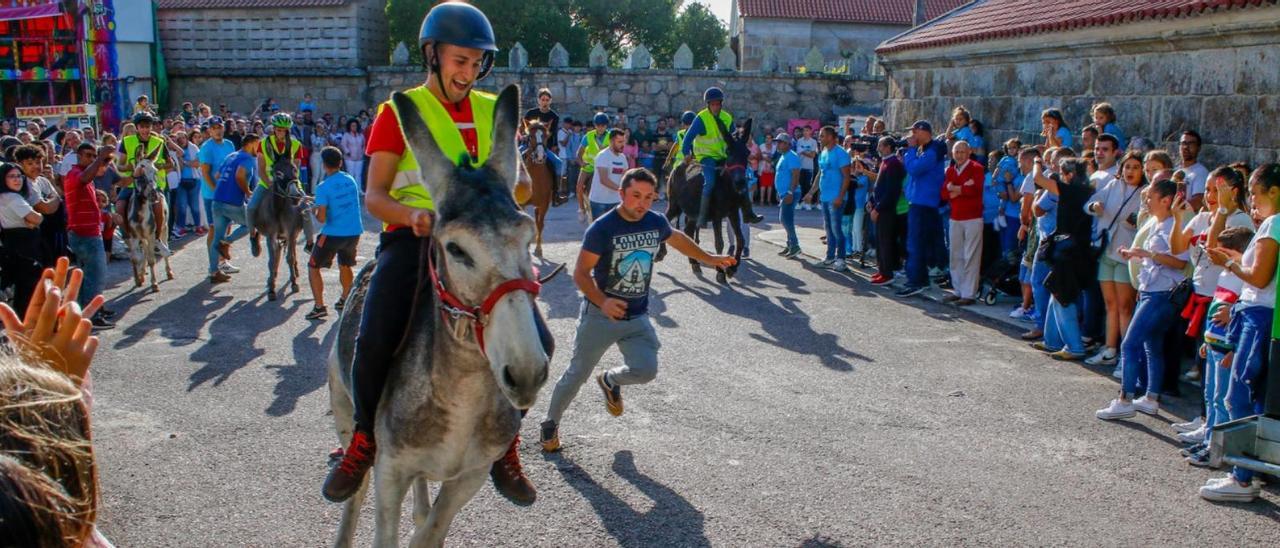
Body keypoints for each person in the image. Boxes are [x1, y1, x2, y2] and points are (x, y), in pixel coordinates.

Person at [322, 1, 547, 507]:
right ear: (433, 55)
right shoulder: (396, 113)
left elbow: (525, 187)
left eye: (475, 63)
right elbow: (374, 196)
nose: (467, 73)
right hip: (414, 237)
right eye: (458, 61)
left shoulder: (494, 111)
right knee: (375, 334)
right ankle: (361, 442)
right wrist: (414, 218)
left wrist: (507, 194)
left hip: (482, 243)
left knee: (542, 341)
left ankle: (507, 446)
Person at [540, 167, 735, 452]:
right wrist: (603, 301)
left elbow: (677, 238)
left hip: (637, 316)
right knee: (576, 373)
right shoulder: (602, 228)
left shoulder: (655, 222)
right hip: (600, 316)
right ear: (621, 194)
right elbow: (581, 274)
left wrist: (709, 258)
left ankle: (610, 380)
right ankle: (550, 423)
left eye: (648, 197)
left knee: (646, 370)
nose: (642, 203)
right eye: (635, 196)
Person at [1198, 163, 1280, 502]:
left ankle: (1242, 477)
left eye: (1255, 195)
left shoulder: (1274, 223)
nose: (1253, 202)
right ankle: (1247, 471)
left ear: (1273, 192)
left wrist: (1229, 263)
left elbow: (1259, 278)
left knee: (1239, 395)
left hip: (1257, 315)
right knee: (1249, 395)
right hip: (1256, 314)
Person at [1096, 178, 1188, 420]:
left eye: (1150, 197)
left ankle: (1125, 398)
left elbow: (1180, 262)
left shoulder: (1173, 225)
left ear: (1166, 200)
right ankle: (1150, 397)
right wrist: (1137, 255)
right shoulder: (1158, 222)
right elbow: (1157, 258)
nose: (1146, 201)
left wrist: (1148, 254)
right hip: (1151, 289)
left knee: (1130, 343)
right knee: (1151, 344)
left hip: (1162, 293)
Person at [1084, 151, 1146, 366]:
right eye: (1127, 167)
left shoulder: (1145, 193)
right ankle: (1110, 349)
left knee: (1125, 307)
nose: (1130, 171)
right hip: (1106, 250)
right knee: (1110, 304)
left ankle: (1126, 356)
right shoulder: (1113, 185)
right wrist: (1095, 207)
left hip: (1126, 254)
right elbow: (1089, 204)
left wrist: (1136, 221)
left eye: (1136, 167)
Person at [680, 87, 763, 226]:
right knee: (710, 181)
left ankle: (748, 213)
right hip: (707, 156)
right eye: (712, 104)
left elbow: (734, 139)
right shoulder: (701, 118)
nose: (715, 107)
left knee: (741, 177)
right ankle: (702, 216)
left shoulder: (727, 117)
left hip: (723, 156)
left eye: (718, 104)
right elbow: (687, 139)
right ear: (708, 105)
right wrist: (686, 154)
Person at [62, 143, 116, 329]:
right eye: (88, 155)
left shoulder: (87, 175)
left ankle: (91, 310)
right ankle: (91, 316)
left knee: (87, 276)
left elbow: (95, 174)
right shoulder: (75, 174)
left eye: (94, 156)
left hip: (88, 232)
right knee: (96, 274)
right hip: (85, 234)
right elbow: (85, 177)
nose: (92, 159)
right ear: (78, 156)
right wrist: (101, 156)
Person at [305, 147, 362, 320]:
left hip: (333, 233)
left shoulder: (323, 187)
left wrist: (314, 209)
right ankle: (346, 299)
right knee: (345, 265)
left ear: (323, 165)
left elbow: (321, 219)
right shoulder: (350, 179)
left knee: (313, 267)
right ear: (340, 162)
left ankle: (319, 306)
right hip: (353, 231)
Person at [247, 112, 311, 256]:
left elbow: (296, 168)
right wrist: (270, 184)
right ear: (274, 128)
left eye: (284, 130)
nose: (281, 133)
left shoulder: (296, 145)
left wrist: (292, 185)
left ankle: (309, 242)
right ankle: (253, 236)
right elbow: (261, 169)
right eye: (278, 129)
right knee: (250, 207)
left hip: (290, 182)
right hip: (267, 181)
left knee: (306, 206)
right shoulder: (263, 144)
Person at [897, 120, 947, 297]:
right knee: (918, 243)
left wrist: (910, 150)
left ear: (923, 132)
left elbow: (915, 169)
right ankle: (921, 278)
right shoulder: (925, 150)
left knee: (915, 243)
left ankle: (916, 280)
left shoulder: (932, 152)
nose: (912, 136)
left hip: (924, 203)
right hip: (919, 201)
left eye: (915, 132)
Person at [115, 112, 172, 258]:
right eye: (142, 127)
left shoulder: (159, 142)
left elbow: (170, 164)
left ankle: (158, 239)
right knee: (120, 207)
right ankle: (130, 239)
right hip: (132, 184)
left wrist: (155, 166)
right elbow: (119, 165)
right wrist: (132, 167)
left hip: (153, 183)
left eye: (148, 126)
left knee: (158, 206)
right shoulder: (127, 141)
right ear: (137, 127)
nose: (145, 130)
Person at [207, 135, 260, 284]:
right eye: (258, 145)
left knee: (216, 238)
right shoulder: (247, 159)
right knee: (251, 224)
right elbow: (239, 175)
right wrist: (248, 191)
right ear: (251, 144)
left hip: (217, 199)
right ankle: (227, 241)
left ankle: (214, 272)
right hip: (232, 201)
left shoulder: (231, 155)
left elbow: (217, 175)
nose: (259, 148)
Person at [802, 126, 851, 271]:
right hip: (824, 197)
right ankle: (830, 257)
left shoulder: (841, 153)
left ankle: (841, 259)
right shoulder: (823, 152)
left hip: (836, 197)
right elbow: (820, 174)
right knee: (828, 229)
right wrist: (811, 192)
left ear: (830, 137)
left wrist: (840, 197)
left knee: (837, 229)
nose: (820, 138)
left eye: (822, 136)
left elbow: (847, 177)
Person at [942, 141, 984, 304]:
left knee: (971, 255)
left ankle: (968, 293)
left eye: (962, 152)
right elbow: (944, 193)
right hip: (955, 217)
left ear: (968, 153)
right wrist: (960, 188)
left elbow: (975, 189)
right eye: (956, 152)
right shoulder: (951, 171)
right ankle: (958, 289)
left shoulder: (976, 168)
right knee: (955, 254)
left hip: (973, 217)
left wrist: (956, 189)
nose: (959, 155)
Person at [0, 162, 44, 315]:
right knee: (28, 291)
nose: (17, 180)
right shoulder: (12, 198)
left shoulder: (6, 196)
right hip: (23, 247)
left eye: (19, 176)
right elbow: (37, 218)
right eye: (11, 176)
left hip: (14, 245)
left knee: (21, 291)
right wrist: (37, 217)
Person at [13, 144, 65, 267]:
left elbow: (58, 197)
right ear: (20, 165)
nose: (36, 166)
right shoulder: (23, 182)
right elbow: (44, 208)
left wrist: (53, 200)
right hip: (35, 237)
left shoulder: (43, 180)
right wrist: (53, 200)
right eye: (30, 163)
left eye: (38, 162)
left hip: (54, 233)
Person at [576, 113, 611, 221]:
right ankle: (581, 209)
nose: (600, 128)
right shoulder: (588, 136)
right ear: (595, 125)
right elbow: (579, 152)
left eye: (603, 125)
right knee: (579, 186)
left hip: (602, 167)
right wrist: (581, 163)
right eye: (598, 125)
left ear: (606, 126)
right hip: (589, 166)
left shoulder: (611, 136)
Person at [773, 133, 803, 257]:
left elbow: (796, 175)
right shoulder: (784, 156)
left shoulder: (792, 156)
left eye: (780, 142)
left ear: (787, 144)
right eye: (777, 142)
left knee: (786, 219)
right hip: (785, 193)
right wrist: (779, 192)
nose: (777, 144)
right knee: (785, 219)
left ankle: (795, 245)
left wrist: (790, 192)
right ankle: (790, 244)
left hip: (791, 193)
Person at [588, 129, 628, 221]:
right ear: (611, 141)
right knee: (599, 233)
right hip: (599, 202)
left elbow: (624, 178)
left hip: (616, 201)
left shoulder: (623, 158)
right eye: (620, 142)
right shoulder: (602, 156)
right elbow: (604, 180)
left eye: (624, 142)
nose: (623, 145)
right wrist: (621, 190)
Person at [1178, 130, 1210, 211]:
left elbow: (1198, 202)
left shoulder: (1201, 172)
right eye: (1183, 143)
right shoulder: (1175, 170)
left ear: (1198, 148)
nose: (1186, 147)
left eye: (1191, 144)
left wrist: (1175, 209)